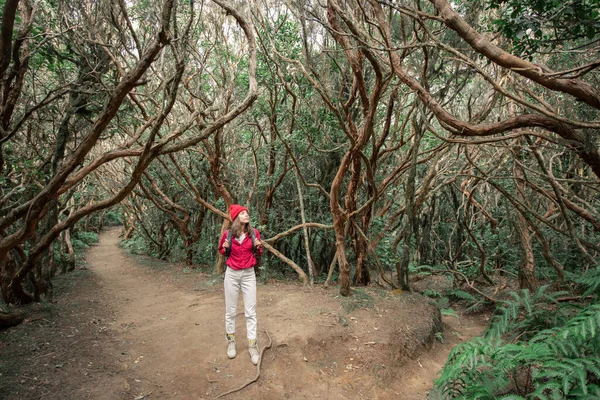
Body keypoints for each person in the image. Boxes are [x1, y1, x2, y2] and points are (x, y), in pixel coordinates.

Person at [218, 204, 263, 365]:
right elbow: (222, 252)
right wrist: (224, 249)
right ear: (237, 217)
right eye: (243, 213)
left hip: (249, 275)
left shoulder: (254, 233)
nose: (246, 215)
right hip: (232, 274)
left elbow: (258, 252)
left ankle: (253, 346)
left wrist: (258, 247)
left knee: (250, 311)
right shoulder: (228, 234)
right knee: (230, 311)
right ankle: (231, 342)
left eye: (247, 213)